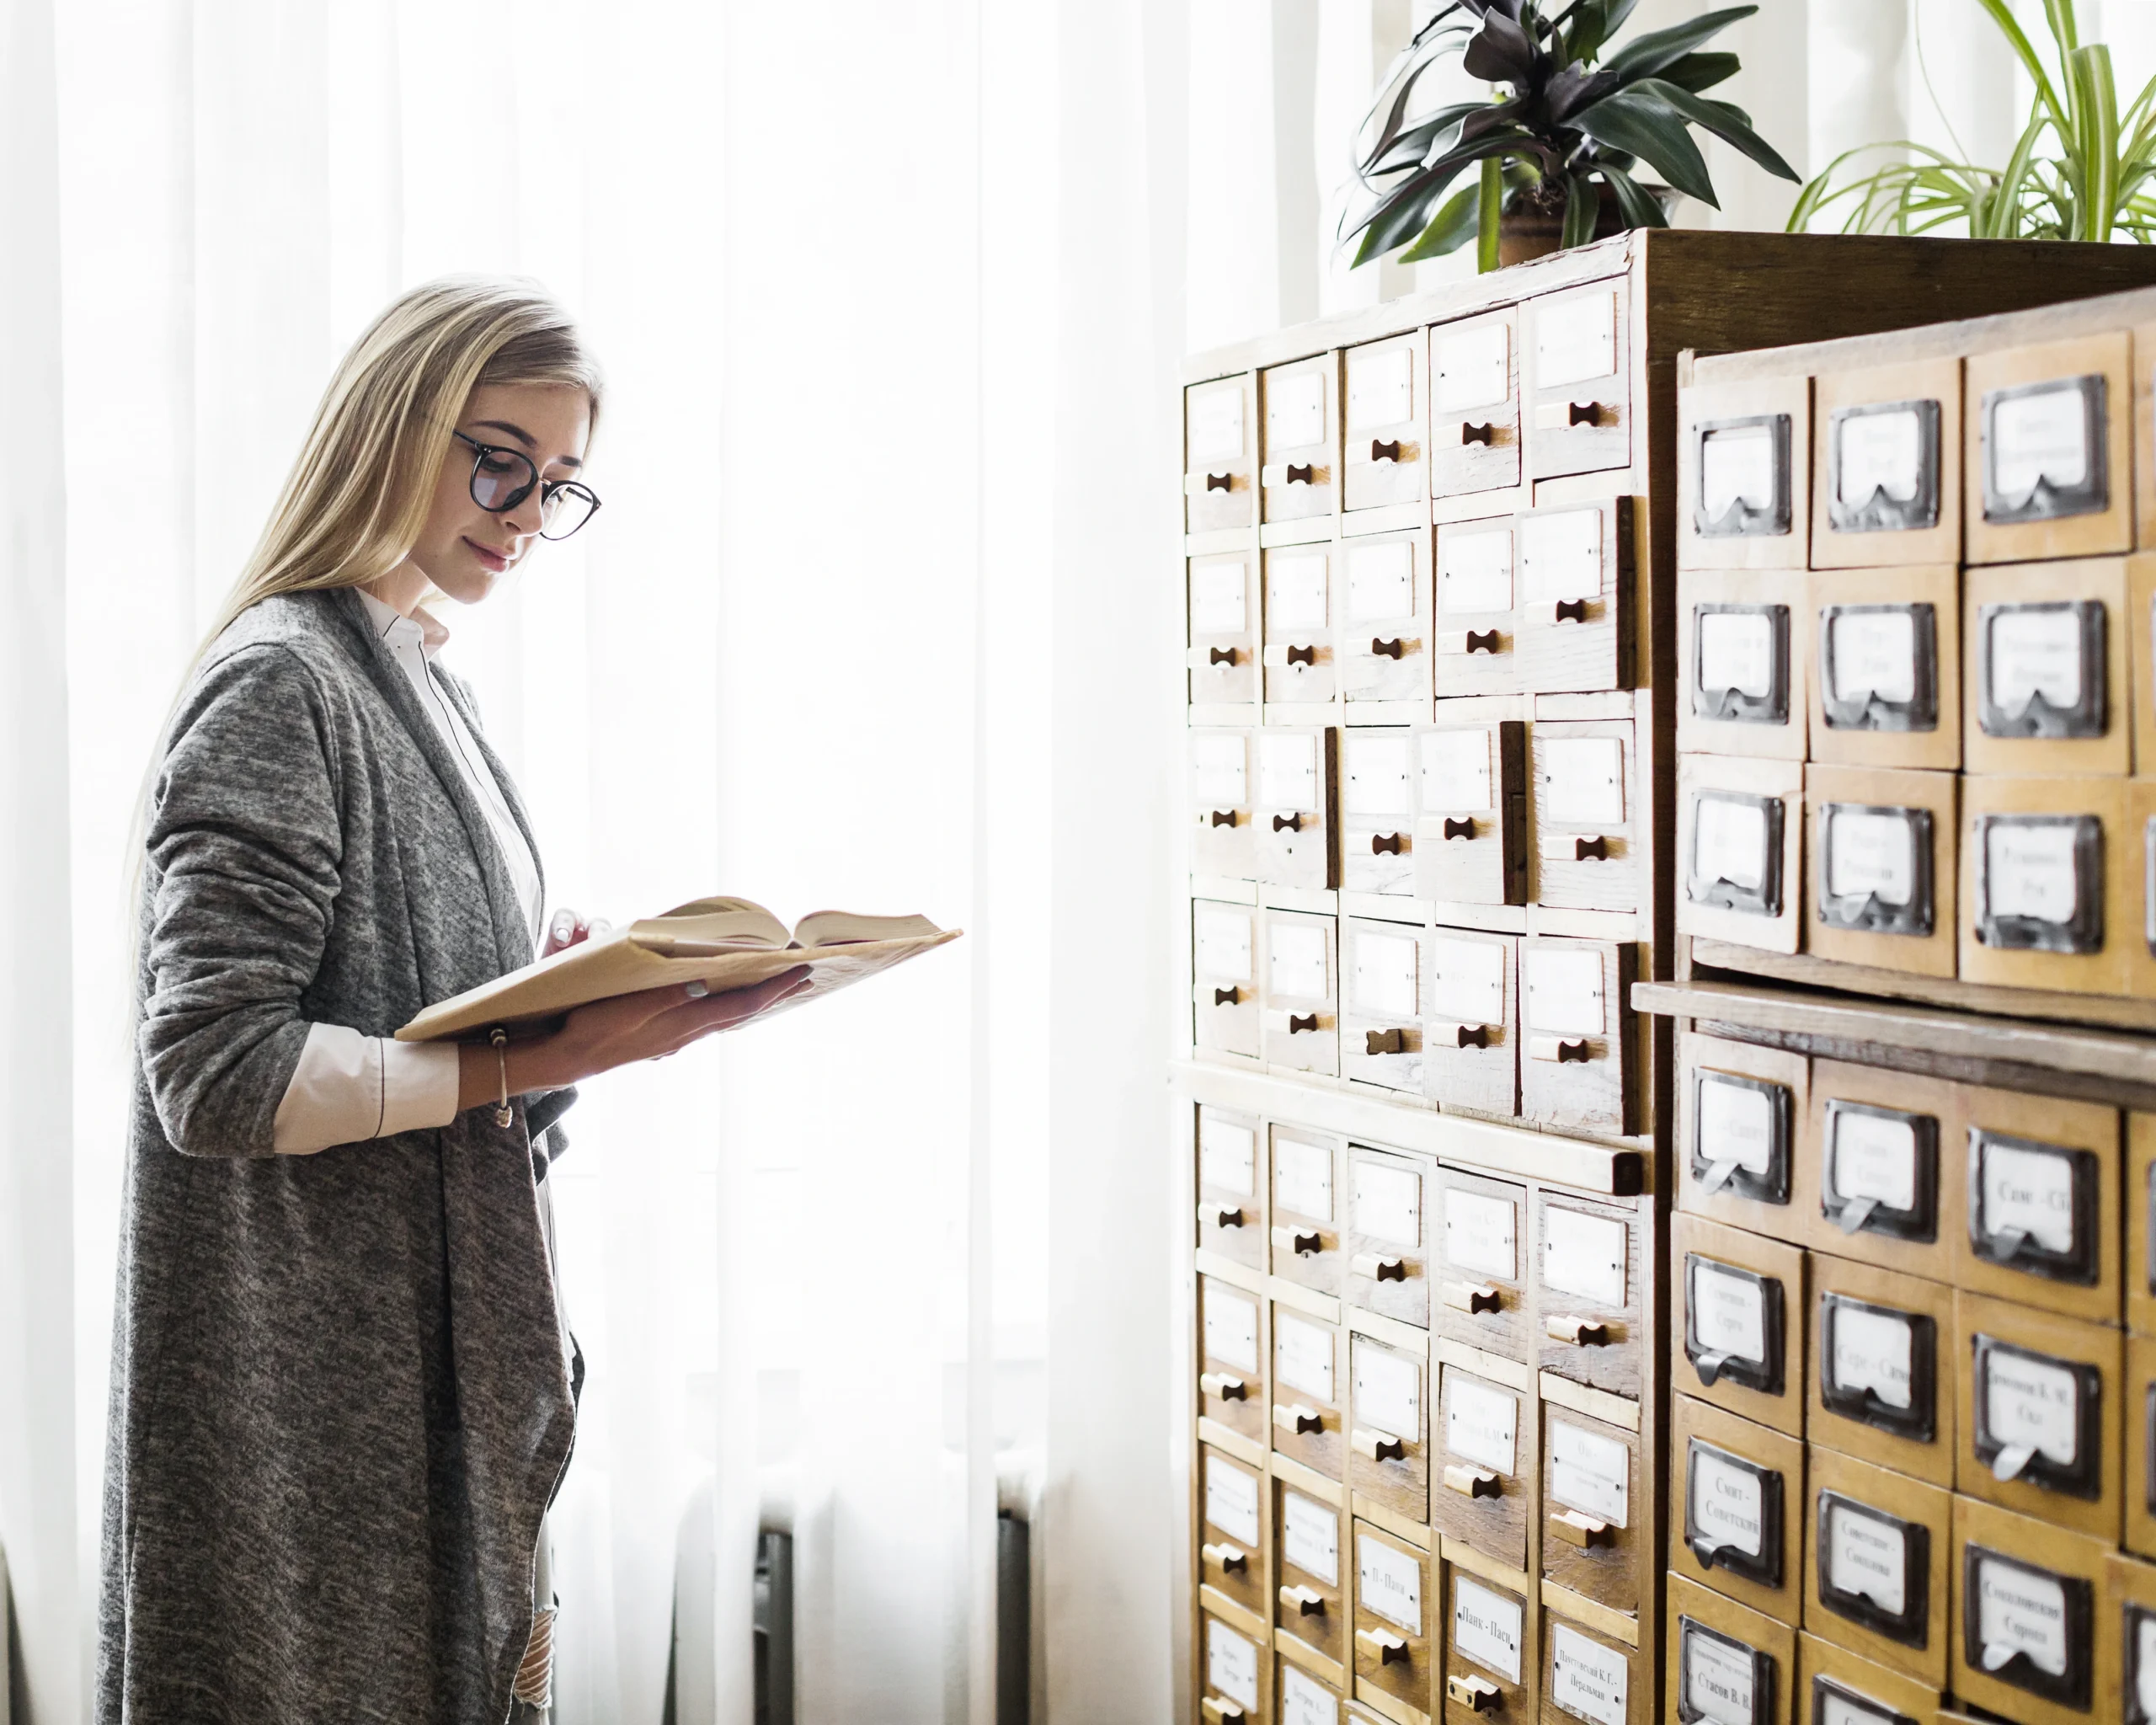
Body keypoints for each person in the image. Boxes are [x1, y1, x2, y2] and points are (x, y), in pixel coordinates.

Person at [98, 276, 805, 1724]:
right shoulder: (281, 685)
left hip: (401, 1378)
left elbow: (419, 1044)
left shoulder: (422, 680)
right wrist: (571, 1039)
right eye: (496, 460)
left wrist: (564, 1011)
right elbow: (219, 1076)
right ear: (389, 425)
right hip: (307, 1393)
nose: (525, 513)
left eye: (557, 486)